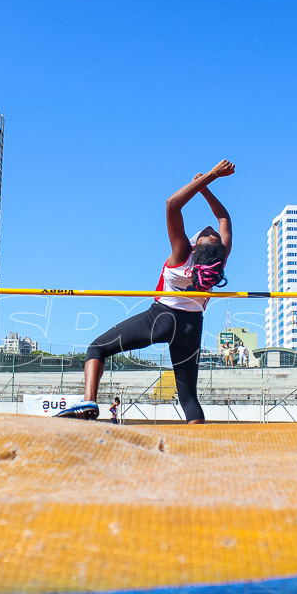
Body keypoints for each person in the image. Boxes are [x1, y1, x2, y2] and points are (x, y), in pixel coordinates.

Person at [61, 159, 235, 424]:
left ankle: (89, 403)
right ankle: (202, 442)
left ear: (196, 247)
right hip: (191, 327)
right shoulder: (217, 264)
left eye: (206, 233)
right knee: (188, 395)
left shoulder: (182, 255)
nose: (209, 228)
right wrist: (203, 188)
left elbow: (172, 205)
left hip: (161, 317)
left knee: (96, 348)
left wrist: (210, 176)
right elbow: (223, 218)